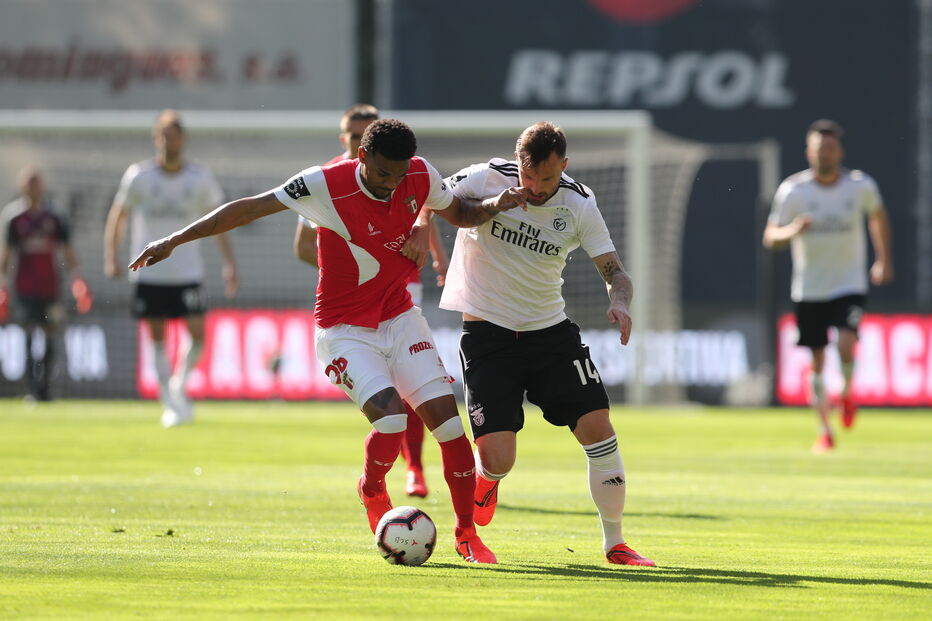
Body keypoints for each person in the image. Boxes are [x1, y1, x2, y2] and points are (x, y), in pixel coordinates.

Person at [128, 118, 527, 563]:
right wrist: (175, 239)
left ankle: (466, 535)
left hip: (399, 317)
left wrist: (495, 204)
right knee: (392, 421)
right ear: (361, 157)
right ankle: (371, 487)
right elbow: (248, 207)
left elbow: (460, 214)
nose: (390, 186)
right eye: (381, 175)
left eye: (397, 178)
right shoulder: (322, 184)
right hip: (343, 330)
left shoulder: (419, 173)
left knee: (452, 431)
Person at [428, 121, 655, 566]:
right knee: (498, 457)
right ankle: (488, 480)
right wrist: (422, 231)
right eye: (528, 177)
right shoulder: (486, 177)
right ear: (517, 163)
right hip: (488, 337)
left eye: (546, 179)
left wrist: (622, 302)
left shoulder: (579, 202)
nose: (534, 188)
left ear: (563, 167)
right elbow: (430, 195)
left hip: (551, 334)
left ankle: (616, 543)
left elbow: (615, 271)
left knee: (600, 432)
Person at [293, 104, 449, 498]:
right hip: (353, 301)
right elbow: (302, 247)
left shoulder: (402, 172)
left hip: (403, 287)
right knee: (388, 397)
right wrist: (356, 269)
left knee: (414, 384)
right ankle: (383, 475)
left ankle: (415, 468)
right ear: (348, 141)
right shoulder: (322, 181)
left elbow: (425, 196)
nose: (356, 139)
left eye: (364, 131)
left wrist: (430, 240)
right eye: (351, 133)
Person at [763, 119, 892, 453]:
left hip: (849, 283)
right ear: (809, 151)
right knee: (817, 363)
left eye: (831, 148)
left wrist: (883, 259)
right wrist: (792, 230)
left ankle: (847, 393)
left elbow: (877, 216)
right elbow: (771, 236)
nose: (825, 153)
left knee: (847, 345)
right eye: (820, 148)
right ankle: (824, 428)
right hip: (810, 288)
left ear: (840, 151)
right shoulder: (794, 191)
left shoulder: (859, 186)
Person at [104, 109, 239, 428]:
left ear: (183, 139)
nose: (170, 141)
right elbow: (118, 216)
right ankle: (169, 401)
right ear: (156, 139)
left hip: (188, 272)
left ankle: (179, 383)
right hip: (150, 271)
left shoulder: (200, 178)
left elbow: (219, 221)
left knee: (198, 335)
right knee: (157, 337)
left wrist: (229, 263)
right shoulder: (139, 176)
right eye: (164, 135)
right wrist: (111, 256)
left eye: (175, 135)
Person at [0, 166, 88, 401]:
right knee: (28, 335)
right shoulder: (15, 218)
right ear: (22, 187)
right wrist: (3, 287)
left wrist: (77, 280)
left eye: (36, 183)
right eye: (29, 184)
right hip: (25, 287)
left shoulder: (54, 217)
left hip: (50, 288)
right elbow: (6, 255)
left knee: (50, 336)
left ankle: (46, 389)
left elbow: (67, 250)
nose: (33, 189)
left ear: (43, 187)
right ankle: (32, 389)